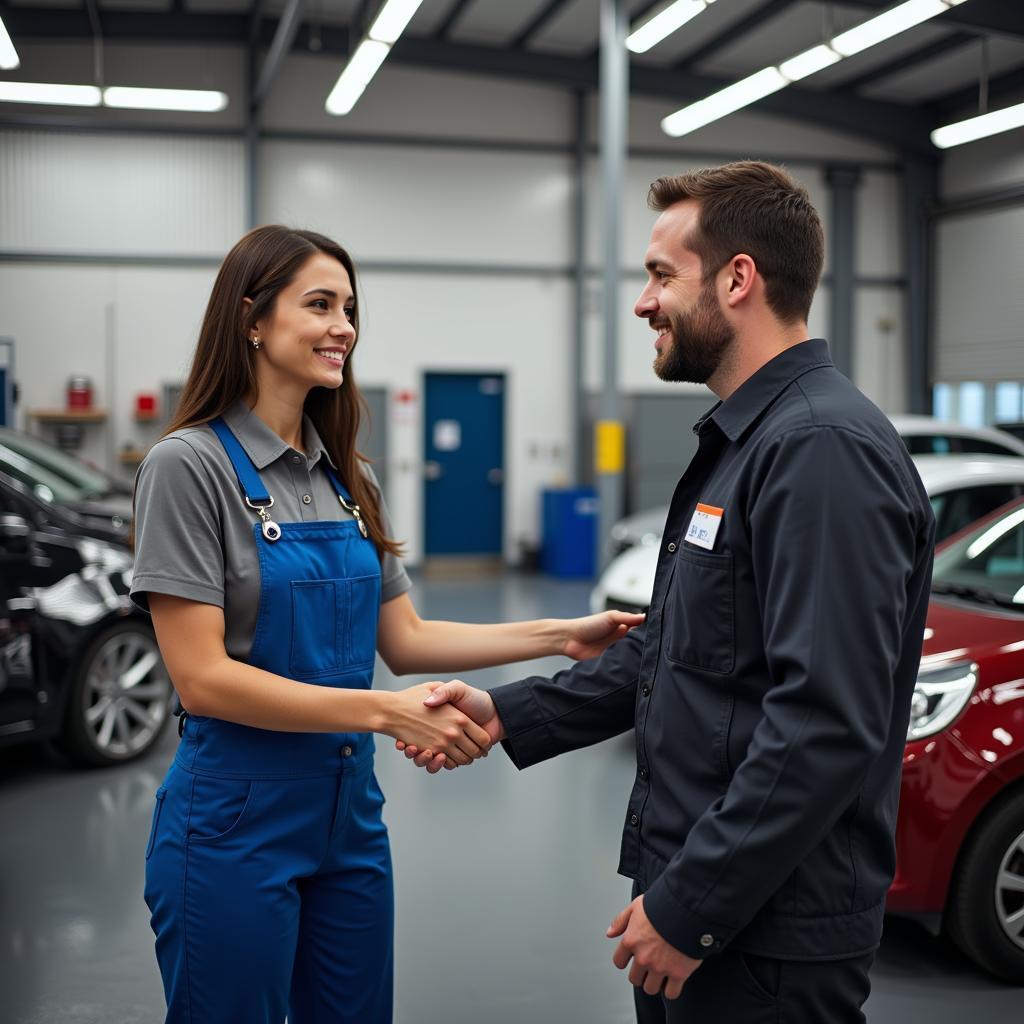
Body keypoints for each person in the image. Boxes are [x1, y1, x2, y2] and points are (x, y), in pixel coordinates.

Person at [401, 161, 936, 1022]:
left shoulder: (821, 448)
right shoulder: (746, 442)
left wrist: (695, 907)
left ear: (738, 279)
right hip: (710, 898)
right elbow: (676, 649)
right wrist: (512, 712)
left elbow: (826, 719)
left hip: (766, 932)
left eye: (659, 276)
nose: (643, 303)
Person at [130, 224, 643, 1024]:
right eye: (320, 304)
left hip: (349, 819)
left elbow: (403, 640)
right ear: (252, 320)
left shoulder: (349, 477)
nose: (345, 326)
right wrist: (384, 714)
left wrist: (558, 634)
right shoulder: (187, 467)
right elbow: (204, 679)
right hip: (232, 821)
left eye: (351, 308)